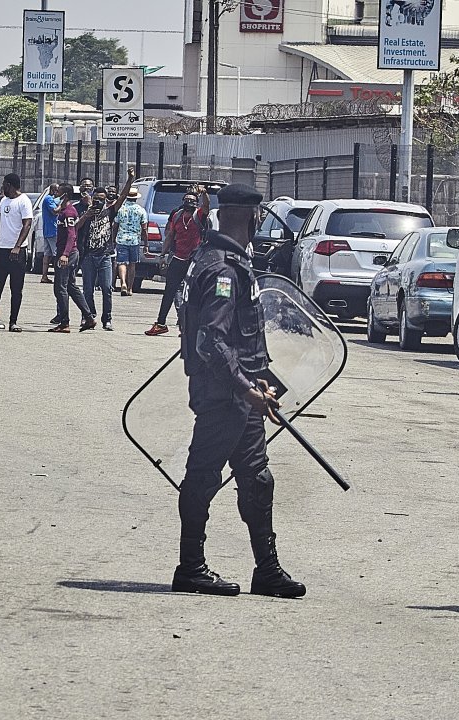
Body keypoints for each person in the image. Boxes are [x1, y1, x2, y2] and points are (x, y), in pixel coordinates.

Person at [172, 183, 305, 599]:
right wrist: (247, 389)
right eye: (258, 216)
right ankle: (190, 568)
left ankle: (267, 570)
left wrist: (257, 377)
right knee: (202, 477)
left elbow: (237, 335)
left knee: (257, 479)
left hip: (240, 394)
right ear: (251, 217)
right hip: (223, 397)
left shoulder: (217, 259)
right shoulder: (224, 271)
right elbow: (211, 341)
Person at [145, 186, 209, 336]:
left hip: (194, 260)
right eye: (187, 200)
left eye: (192, 200)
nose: (189, 202)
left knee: (192, 293)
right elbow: (170, 236)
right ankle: (161, 323)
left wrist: (204, 193)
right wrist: (163, 255)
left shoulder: (199, 215)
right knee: (169, 292)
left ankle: (189, 326)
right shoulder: (177, 215)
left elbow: (206, 206)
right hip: (178, 258)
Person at [77, 167, 134, 331]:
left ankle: (107, 319)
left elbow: (122, 197)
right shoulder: (86, 213)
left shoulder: (110, 212)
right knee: (88, 289)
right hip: (88, 256)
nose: (98, 202)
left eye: (101, 199)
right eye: (96, 199)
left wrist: (130, 180)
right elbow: (76, 227)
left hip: (105, 256)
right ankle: (88, 316)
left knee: (107, 289)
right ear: (92, 198)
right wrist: (86, 215)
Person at [0, 173, 33, 332]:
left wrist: (17, 246)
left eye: (4, 184)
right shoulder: (3, 201)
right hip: (1, 249)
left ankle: (13, 322)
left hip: (17, 251)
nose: (2, 187)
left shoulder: (24, 201)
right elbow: (0, 223)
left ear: (9, 185)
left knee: (16, 289)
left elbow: (27, 225)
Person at [49, 183, 94, 333]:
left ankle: (64, 322)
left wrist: (65, 254)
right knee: (71, 286)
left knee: (60, 288)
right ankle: (89, 317)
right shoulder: (65, 210)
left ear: (65, 195)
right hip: (66, 252)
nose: (55, 195)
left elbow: (72, 235)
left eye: (58, 192)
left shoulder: (69, 212)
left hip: (67, 253)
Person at [114, 186, 148, 296]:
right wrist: (146, 244)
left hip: (121, 239)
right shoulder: (141, 210)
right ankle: (129, 288)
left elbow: (115, 225)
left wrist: (113, 239)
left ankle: (123, 283)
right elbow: (144, 229)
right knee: (132, 265)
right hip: (135, 240)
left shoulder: (120, 209)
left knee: (121, 263)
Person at [40, 182, 59, 284]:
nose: (58, 192)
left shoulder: (50, 199)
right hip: (53, 230)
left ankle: (44, 276)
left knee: (47, 254)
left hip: (47, 230)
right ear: (52, 190)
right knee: (56, 254)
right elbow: (54, 211)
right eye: (56, 190)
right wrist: (62, 204)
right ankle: (58, 276)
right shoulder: (49, 199)